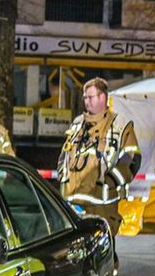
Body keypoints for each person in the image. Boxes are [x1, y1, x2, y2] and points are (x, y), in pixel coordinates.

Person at [57, 78, 141, 234]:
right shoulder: (77, 123)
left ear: (102, 97)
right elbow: (65, 154)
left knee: (103, 253)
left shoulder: (120, 125)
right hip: (72, 203)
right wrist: (62, 174)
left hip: (102, 205)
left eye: (90, 97)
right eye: (85, 98)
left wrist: (110, 182)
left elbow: (132, 159)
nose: (86, 102)